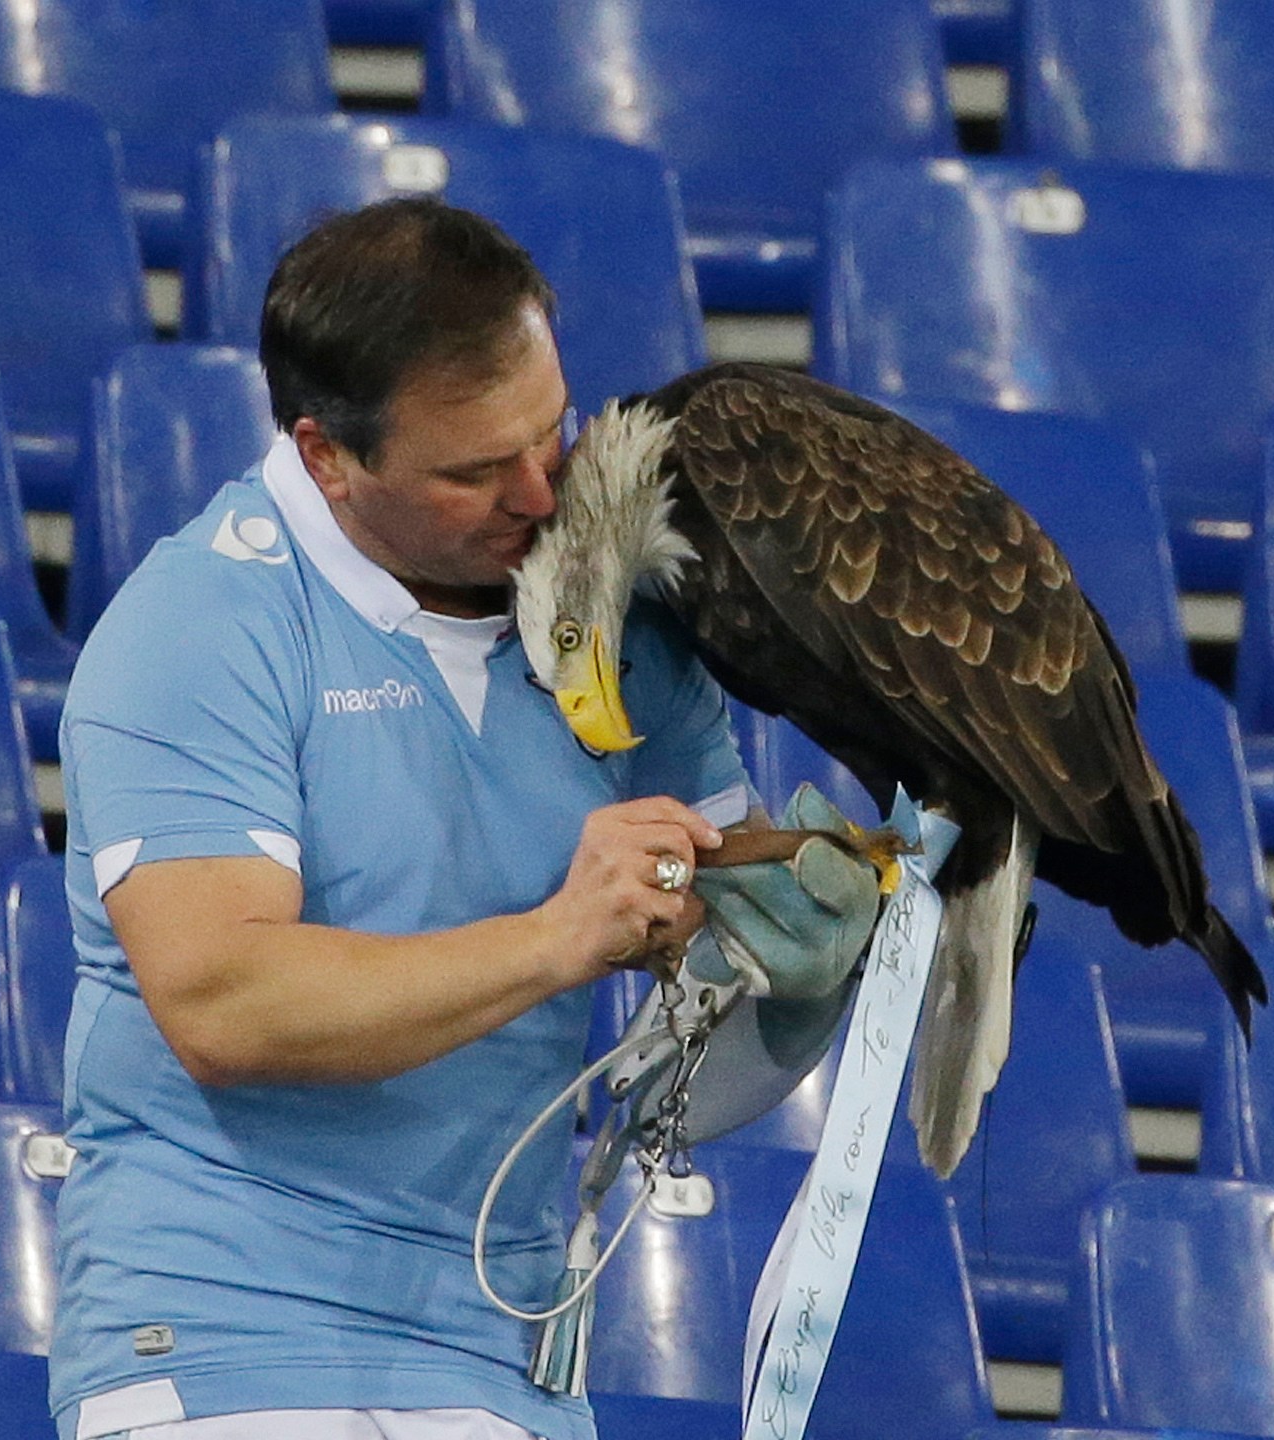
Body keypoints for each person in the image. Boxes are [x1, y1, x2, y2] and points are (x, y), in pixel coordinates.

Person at [49, 197, 756, 1440]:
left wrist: (852, 892)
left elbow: (724, 919)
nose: (541, 495)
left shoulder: (615, 608)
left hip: (505, 1354)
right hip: (224, 1341)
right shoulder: (199, 624)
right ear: (327, 454)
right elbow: (225, 1002)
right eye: (476, 471)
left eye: (554, 434)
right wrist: (563, 935)